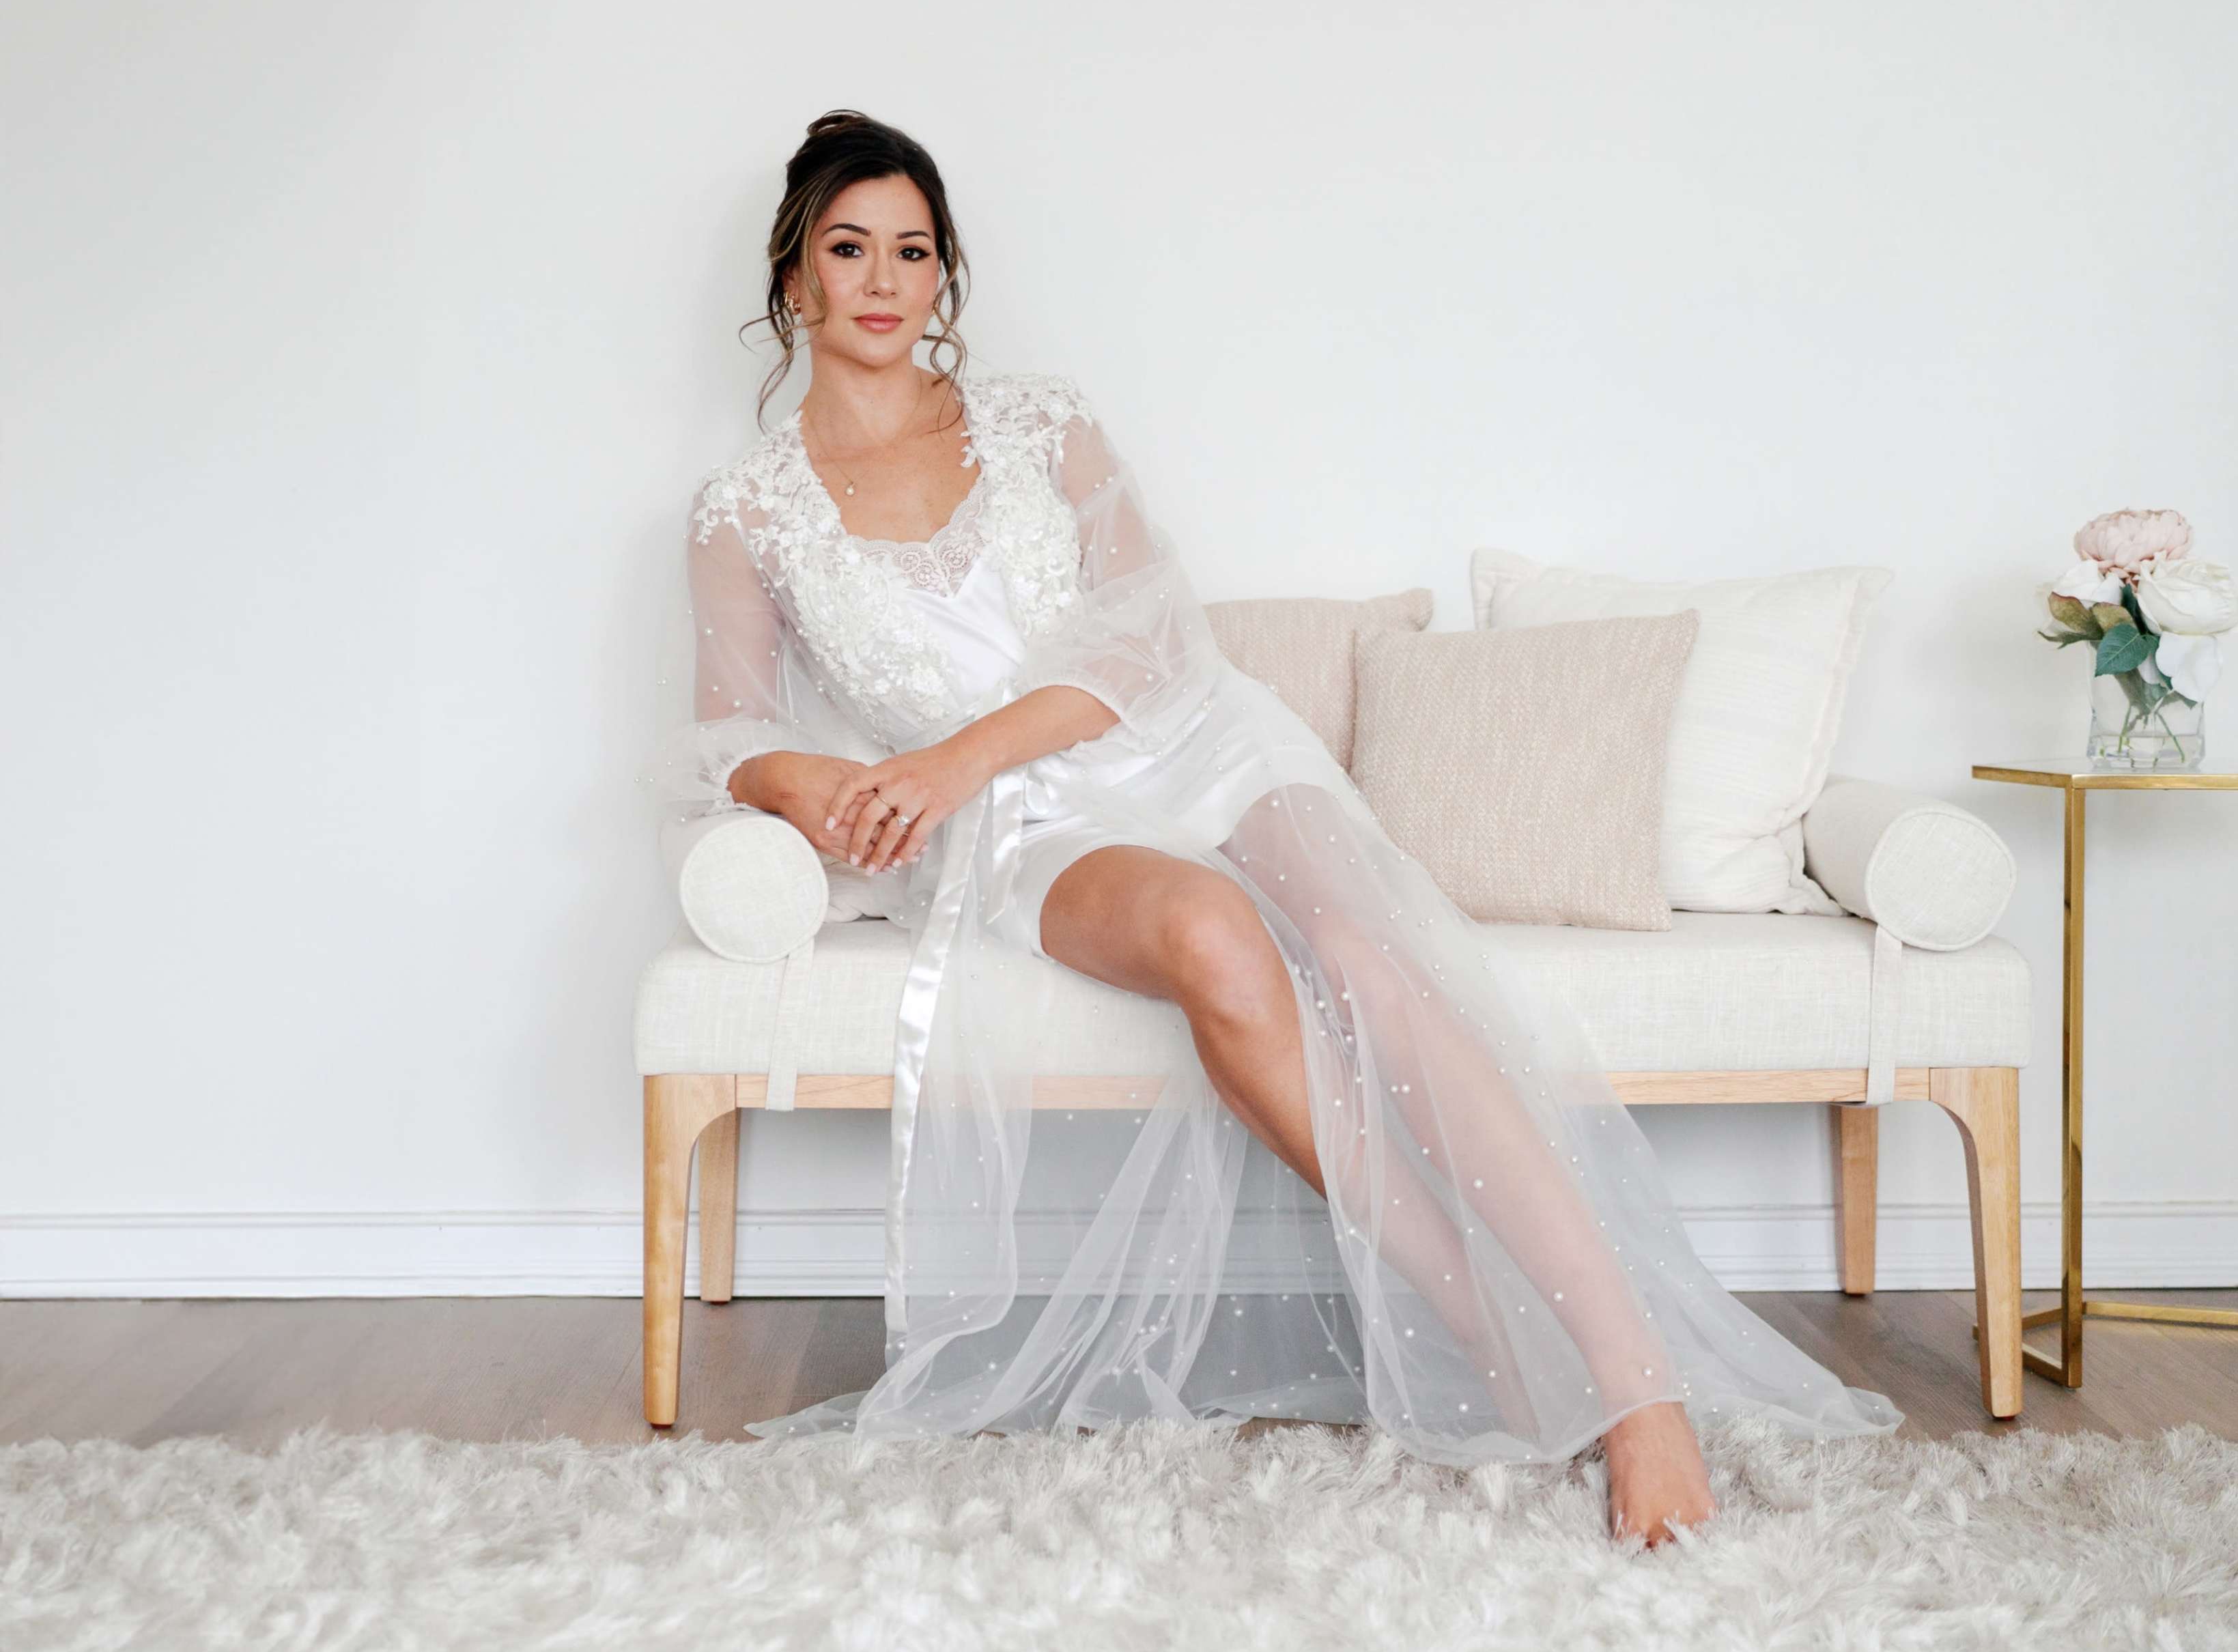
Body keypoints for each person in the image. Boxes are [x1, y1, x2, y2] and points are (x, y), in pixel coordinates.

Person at [642, 111, 1901, 1545]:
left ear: (946, 278)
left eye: (912, 250)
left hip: (1194, 737)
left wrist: (943, 754)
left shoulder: (1038, 421)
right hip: (1019, 829)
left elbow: (1144, 638)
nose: (882, 278)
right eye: (848, 248)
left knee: (1367, 948)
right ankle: (1488, 1322)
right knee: (1215, 940)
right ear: (795, 278)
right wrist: (800, 781)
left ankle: (1636, 1385)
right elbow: (725, 734)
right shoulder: (743, 509)